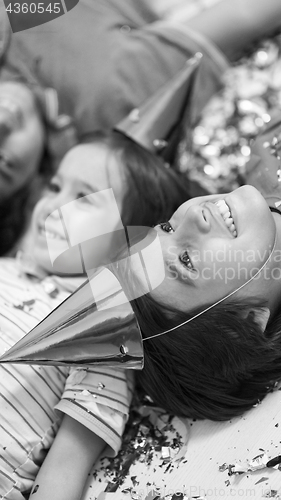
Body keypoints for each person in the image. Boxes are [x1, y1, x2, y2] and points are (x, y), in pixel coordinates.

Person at [0, 0, 281, 255]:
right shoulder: (107, 94)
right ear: (33, 184)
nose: (1, 126)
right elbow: (245, 14)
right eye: (5, 163)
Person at [129, 46, 281, 422]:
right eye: (186, 260)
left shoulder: (259, 159)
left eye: (167, 228)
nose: (193, 216)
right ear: (247, 325)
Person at [0, 127, 195, 500]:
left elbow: (65, 469)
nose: (53, 204)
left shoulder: (105, 331)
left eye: (83, 198)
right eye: (55, 187)